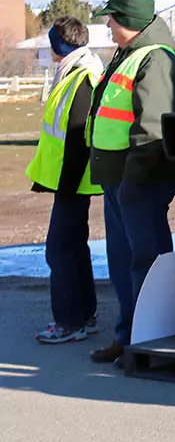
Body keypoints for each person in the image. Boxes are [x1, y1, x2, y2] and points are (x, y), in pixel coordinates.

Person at [86, 0, 175, 365]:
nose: (108, 24)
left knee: (145, 260)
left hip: (139, 179)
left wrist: (135, 180)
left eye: (112, 18)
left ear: (130, 22)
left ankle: (152, 342)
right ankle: (129, 336)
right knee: (124, 260)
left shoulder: (155, 60)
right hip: (122, 178)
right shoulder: (129, 55)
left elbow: (153, 127)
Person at [27, 17, 104, 344]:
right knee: (72, 246)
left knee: (59, 249)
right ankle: (84, 314)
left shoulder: (82, 75)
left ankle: (69, 321)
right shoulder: (75, 70)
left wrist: (68, 182)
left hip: (74, 180)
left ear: (60, 44)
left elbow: (77, 135)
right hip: (70, 179)